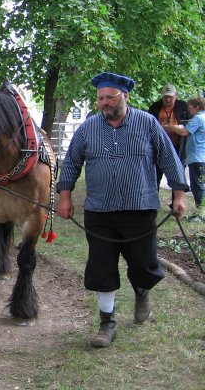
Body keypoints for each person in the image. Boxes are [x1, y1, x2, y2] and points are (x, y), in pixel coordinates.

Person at [56, 72, 188, 349]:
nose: (103, 103)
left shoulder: (148, 123)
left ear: (124, 97)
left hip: (140, 208)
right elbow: (70, 163)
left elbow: (169, 158)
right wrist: (65, 196)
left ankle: (142, 293)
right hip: (99, 210)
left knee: (144, 264)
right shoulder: (89, 127)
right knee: (101, 266)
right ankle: (107, 322)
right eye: (100, 98)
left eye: (109, 97)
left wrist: (178, 195)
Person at [164, 97, 205, 222]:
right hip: (202, 155)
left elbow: (184, 132)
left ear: (197, 107)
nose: (189, 109)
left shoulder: (198, 118)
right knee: (200, 184)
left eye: (190, 107)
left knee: (197, 185)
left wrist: (170, 127)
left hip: (196, 157)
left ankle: (200, 214)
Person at [148, 83, 190, 188]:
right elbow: (148, 125)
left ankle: (176, 202)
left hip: (177, 147)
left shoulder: (183, 106)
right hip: (158, 147)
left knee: (177, 177)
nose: (168, 99)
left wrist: (174, 127)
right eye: (165, 97)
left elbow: (188, 125)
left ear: (175, 95)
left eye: (170, 97)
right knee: (154, 176)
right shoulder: (155, 107)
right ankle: (153, 202)